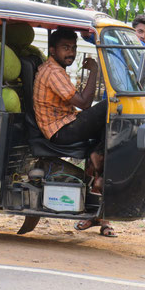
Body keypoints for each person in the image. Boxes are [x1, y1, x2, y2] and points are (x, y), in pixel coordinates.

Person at [33, 28, 116, 237]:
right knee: (109, 106)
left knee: (104, 120)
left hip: (66, 122)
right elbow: (84, 103)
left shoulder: (56, 69)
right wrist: (95, 72)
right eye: (65, 48)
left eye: (73, 48)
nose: (70, 53)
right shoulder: (53, 72)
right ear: (52, 50)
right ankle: (97, 158)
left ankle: (97, 159)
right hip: (60, 131)